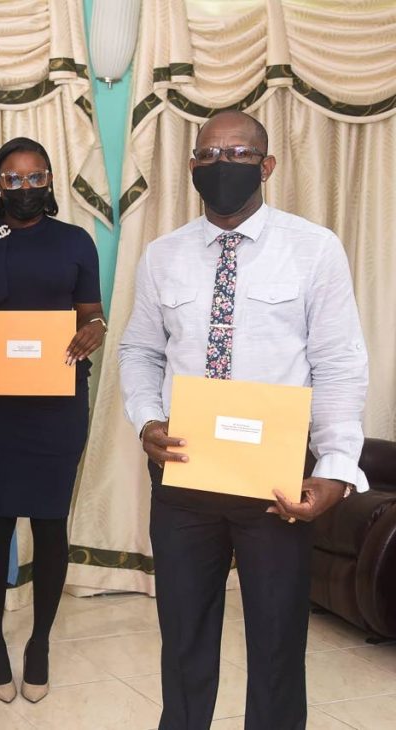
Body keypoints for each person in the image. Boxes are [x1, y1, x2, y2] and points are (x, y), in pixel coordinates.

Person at [119, 110, 368, 730]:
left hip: (275, 480)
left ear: (267, 165)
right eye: (208, 154)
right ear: (193, 166)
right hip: (184, 474)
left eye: (238, 153)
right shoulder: (161, 256)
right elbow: (139, 352)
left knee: (279, 639)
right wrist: (147, 420)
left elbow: (338, 363)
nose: (221, 165)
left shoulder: (314, 249)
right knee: (183, 636)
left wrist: (336, 466)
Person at [0, 137, 106, 704]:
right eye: (13, 179)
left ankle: (40, 642)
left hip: (57, 402)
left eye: (35, 178)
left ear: (49, 181)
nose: (25, 188)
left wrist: (94, 329)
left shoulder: (76, 241)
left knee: (50, 522)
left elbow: (91, 313)